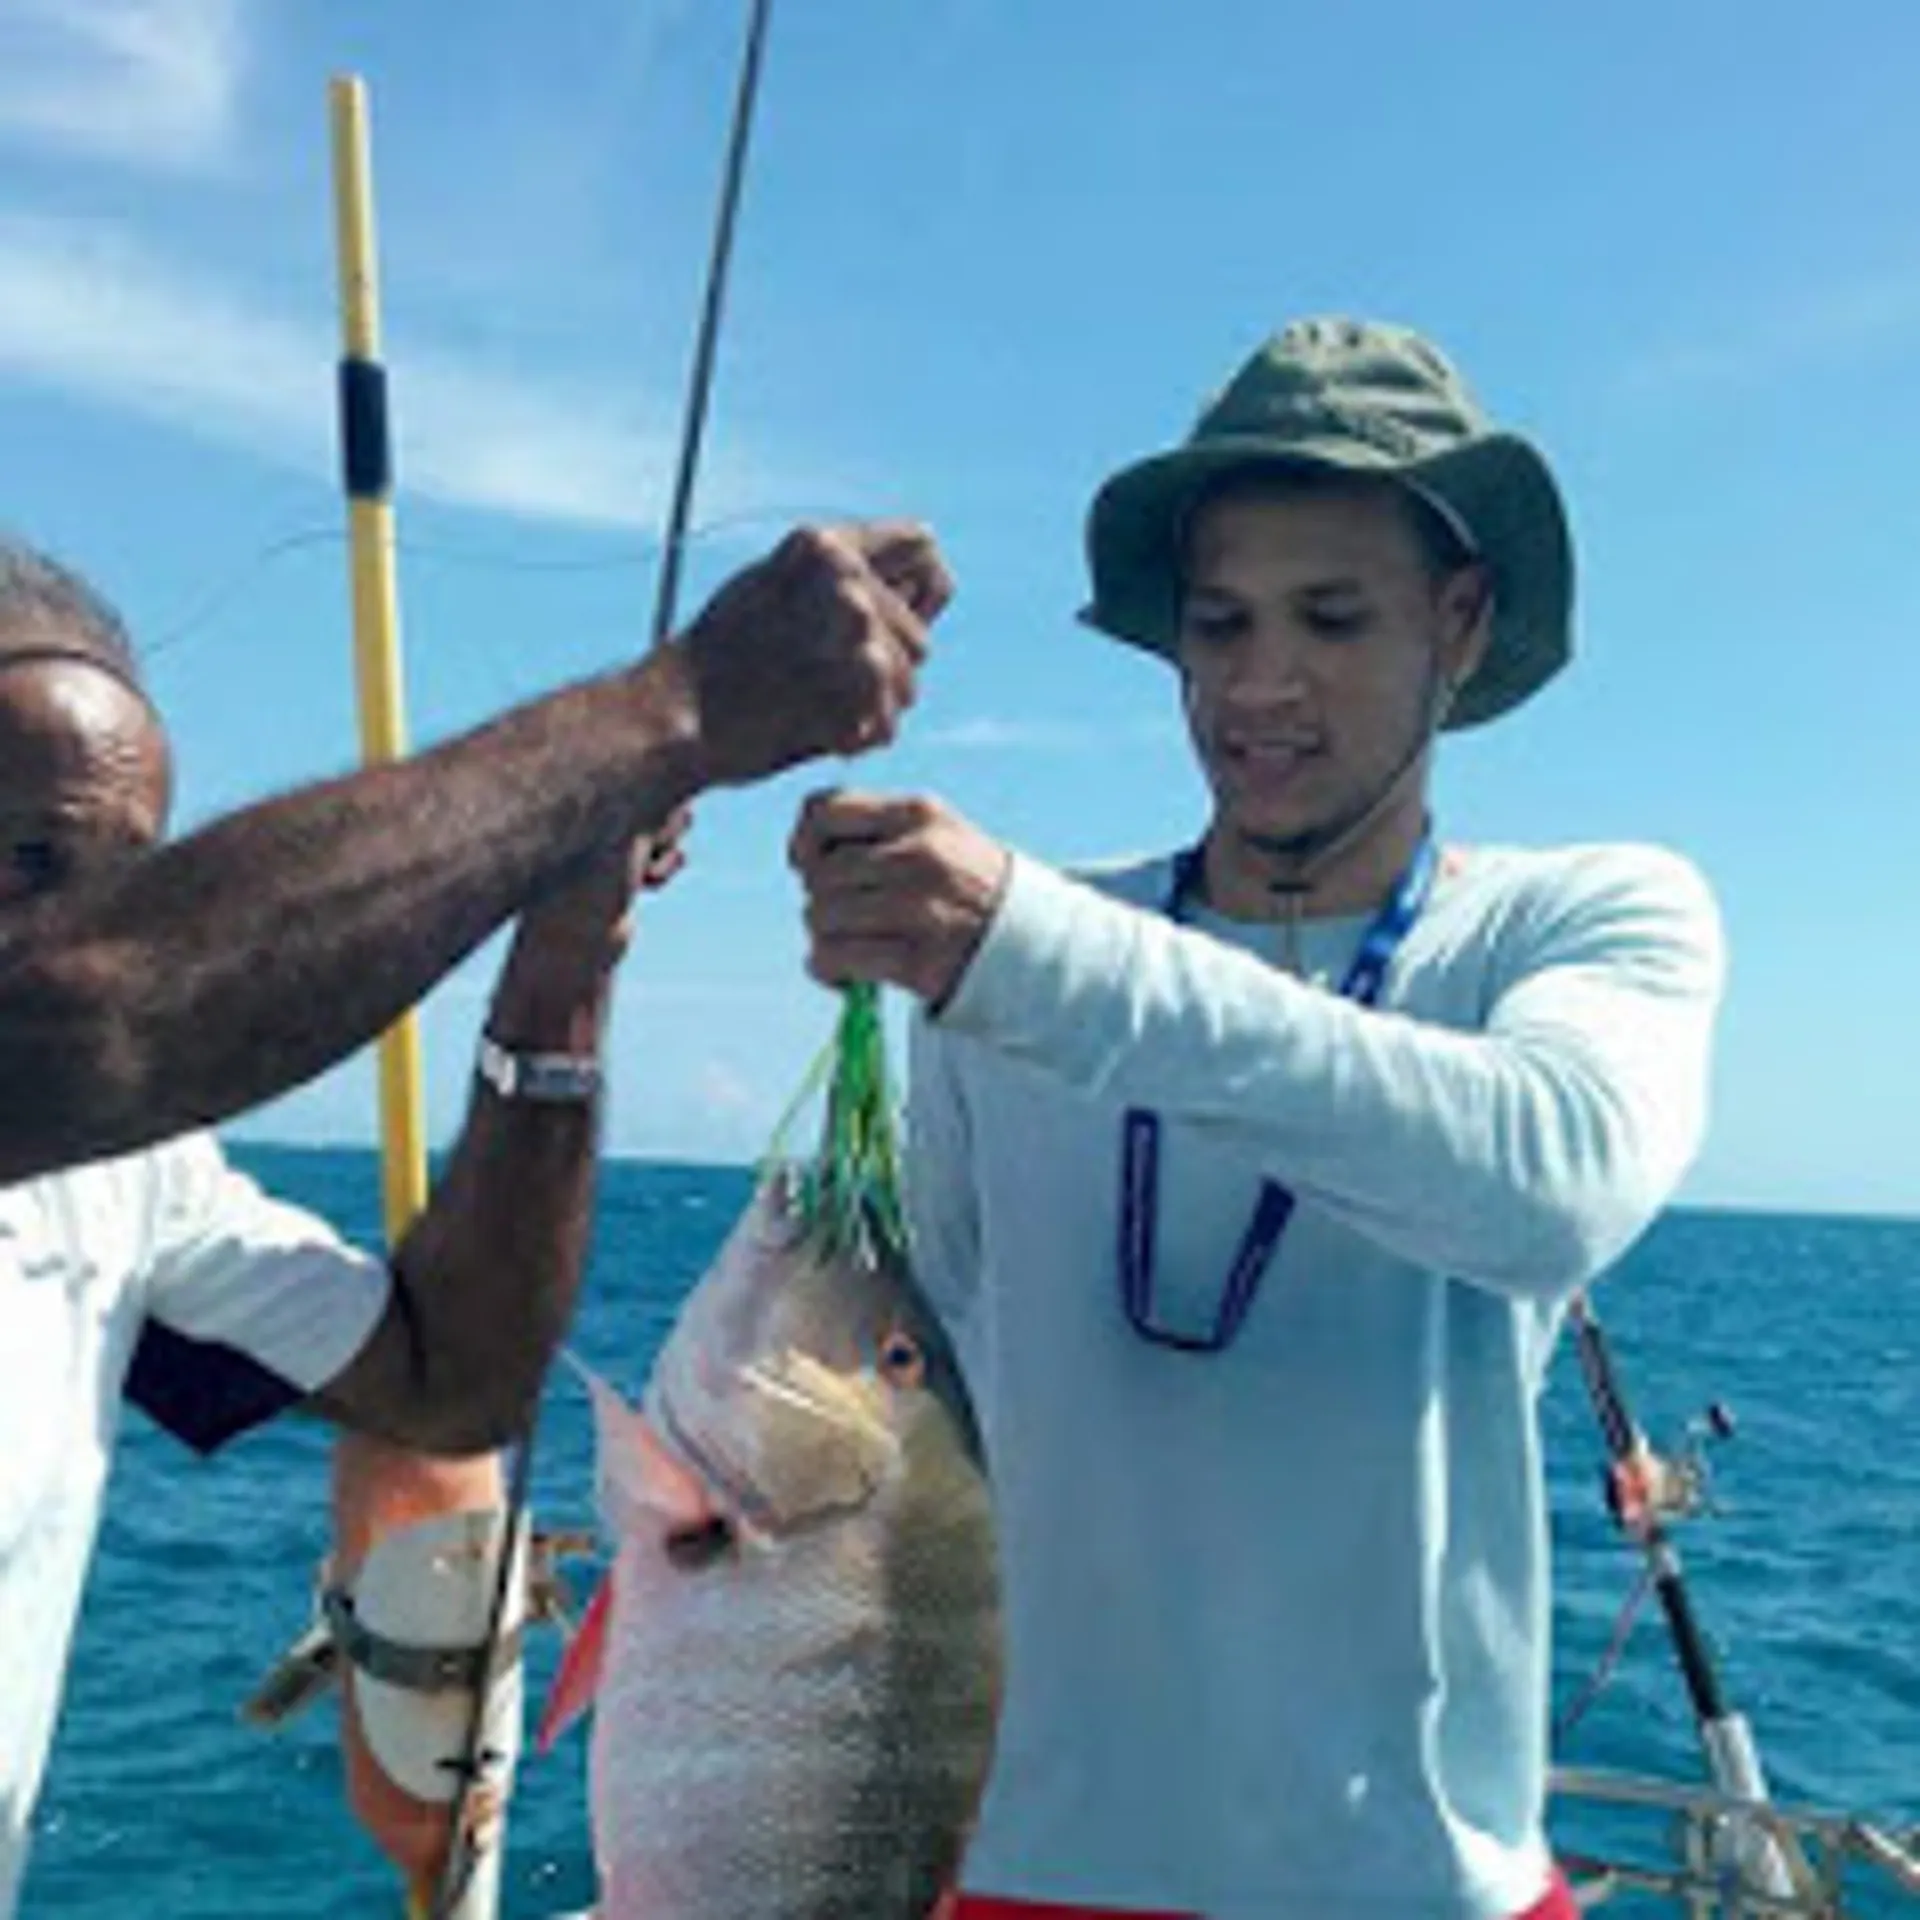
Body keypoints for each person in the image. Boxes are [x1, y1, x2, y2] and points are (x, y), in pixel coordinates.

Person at [791, 319, 1726, 1919]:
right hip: (1024, 1872)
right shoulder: (1008, 974)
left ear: (1464, 620)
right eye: (1217, 624)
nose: (1258, 682)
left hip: (1424, 1886)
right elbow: (891, 1387)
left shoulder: (1579, 920)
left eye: (1332, 618)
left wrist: (1025, 951)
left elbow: (1552, 1180)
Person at [0, 517, 952, 1915]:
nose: (76, 929)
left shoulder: (124, 1172)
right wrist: (673, 712)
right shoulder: (71, 1060)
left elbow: (453, 1378)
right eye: (30, 857)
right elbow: (84, 1020)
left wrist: (559, 964)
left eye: (129, 884)